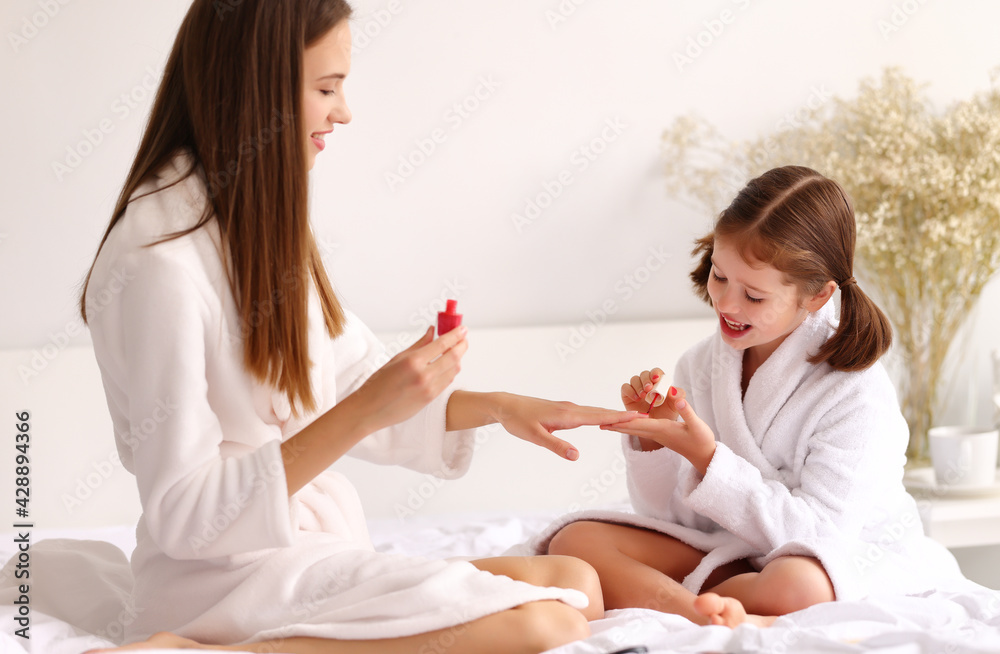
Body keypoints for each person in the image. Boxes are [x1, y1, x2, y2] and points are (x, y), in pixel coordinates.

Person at [78, 1, 637, 652]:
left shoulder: (252, 224)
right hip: (215, 578)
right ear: (257, 90)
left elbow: (352, 380)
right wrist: (368, 410)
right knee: (548, 622)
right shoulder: (158, 265)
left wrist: (498, 408)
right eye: (325, 88)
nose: (344, 112)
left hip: (299, 552)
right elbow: (185, 516)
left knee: (577, 582)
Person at [545, 165, 964, 628]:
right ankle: (697, 611)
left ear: (816, 297)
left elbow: (821, 537)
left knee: (795, 586)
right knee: (577, 540)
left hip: (834, 555)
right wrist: (657, 444)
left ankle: (669, 597)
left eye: (754, 296)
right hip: (736, 552)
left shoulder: (855, 393)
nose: (726, 305)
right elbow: (675, 519)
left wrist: (708, 460)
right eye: (720, 277)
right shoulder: (703, 365)